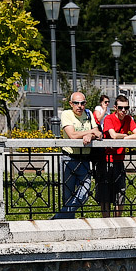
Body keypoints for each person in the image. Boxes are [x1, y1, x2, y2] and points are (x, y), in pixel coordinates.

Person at [54, 91, 102, 219]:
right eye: (76, 103)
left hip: (84, 160)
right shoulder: (66, 114)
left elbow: (98, 133)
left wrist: (90, 135)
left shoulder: (89, 113)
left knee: (84, 193)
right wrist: (90, 131)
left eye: (82, 103)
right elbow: (72, 135)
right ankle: (68, 223)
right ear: (71, 104)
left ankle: (58, 218)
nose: (79, 106)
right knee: (67, 195)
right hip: (68, 159)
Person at [99, 94, 136, 218]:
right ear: (115, 107)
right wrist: (126, 136)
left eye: (126, 108)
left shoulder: (128, 119)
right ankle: (106, 220)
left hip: (119, 159)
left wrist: (123, 137)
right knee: (105, 192)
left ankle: (118, 219)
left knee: (121, 191)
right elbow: (113, 135)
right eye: (121, 108)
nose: (123, 111)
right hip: (106, 159)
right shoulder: (109, 118)